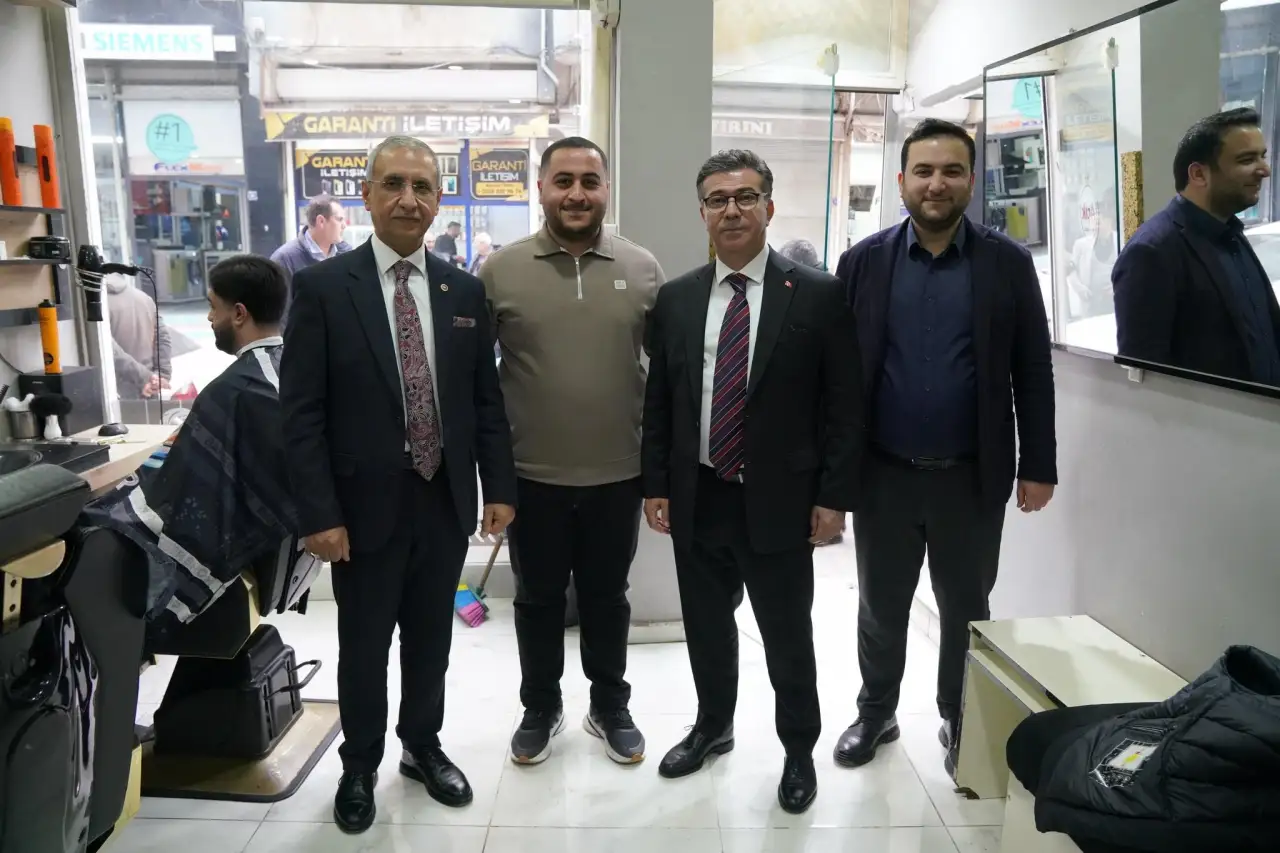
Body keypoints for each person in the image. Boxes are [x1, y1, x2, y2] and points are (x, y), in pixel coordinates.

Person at [281, 136, 517, 834]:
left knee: (430, 641)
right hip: (360, 509)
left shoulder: (463, 290)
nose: (408, 199)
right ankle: (359, 764)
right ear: (367, 195)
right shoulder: (325, 288)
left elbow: (485, 402)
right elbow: (301, 414)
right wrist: (318, 513)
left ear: (439, 198)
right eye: (393, 184)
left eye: (422, 186)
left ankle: (421, 745)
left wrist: (500, 487)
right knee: (363, 645)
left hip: (443, 498)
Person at [641, 149, 863, 814]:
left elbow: (844, 405)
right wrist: (656, 482)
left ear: (769, 206)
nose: (731, 210)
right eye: (718, 199)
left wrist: (834, 497)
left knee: (787, 635)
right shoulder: (678, 299)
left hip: (781, 501)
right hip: (699, 492)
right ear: (702, 212)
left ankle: (798, 750)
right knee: (707, 627)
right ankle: (713, 726)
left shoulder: (817, 294)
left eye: (744, 197)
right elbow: (661, 401)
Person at [832, 118, 1057, 773]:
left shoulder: (1007, 263)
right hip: (884, 476)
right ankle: (876, 712)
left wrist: (1038, 464)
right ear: (902, 180)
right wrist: (831, 477)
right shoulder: (863, 262)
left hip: (970, 478)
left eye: (952, 171)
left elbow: (1033, 368)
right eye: (924, 171)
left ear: (971, 181)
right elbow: (837, 379)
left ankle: (959, 718)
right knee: (880, 606)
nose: (937, 184)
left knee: (966, 608)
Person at [480, 136, 665, 767]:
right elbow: (477, 384)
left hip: (619, 474)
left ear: (607, 188)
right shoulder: (500, 271)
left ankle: (609, 705)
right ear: (541, 188)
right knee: (536, 600)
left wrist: (659, 474)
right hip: (532, 477)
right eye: (563, 181)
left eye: (590, 181)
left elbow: (668, 378)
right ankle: (540, 706)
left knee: (608, 597)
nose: (577, 194)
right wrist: (493, 480)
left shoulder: (642, 268)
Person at [83, 255, 293, 630]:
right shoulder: (292, 367)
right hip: (279, 539)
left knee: (89, 525)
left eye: (213, 307)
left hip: (229, 540)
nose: (209, 318)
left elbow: (180, 490)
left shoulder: (234, 390)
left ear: (239, 314)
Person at [1113, 108, 1280, 385]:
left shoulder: (1232, 233)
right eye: (1247, 160)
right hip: (1210, 414)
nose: (1265, 170)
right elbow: (1148, 380)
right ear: (1199, 174)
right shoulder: (1152, 252)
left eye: (1263, 156)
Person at [106, 273, 172, 400]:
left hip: (119, 391)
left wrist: (146, 378)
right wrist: (161, 376)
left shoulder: (98, 305)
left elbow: (108, 349)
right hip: (150, 388)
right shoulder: (144, 298)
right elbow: (163, 337)